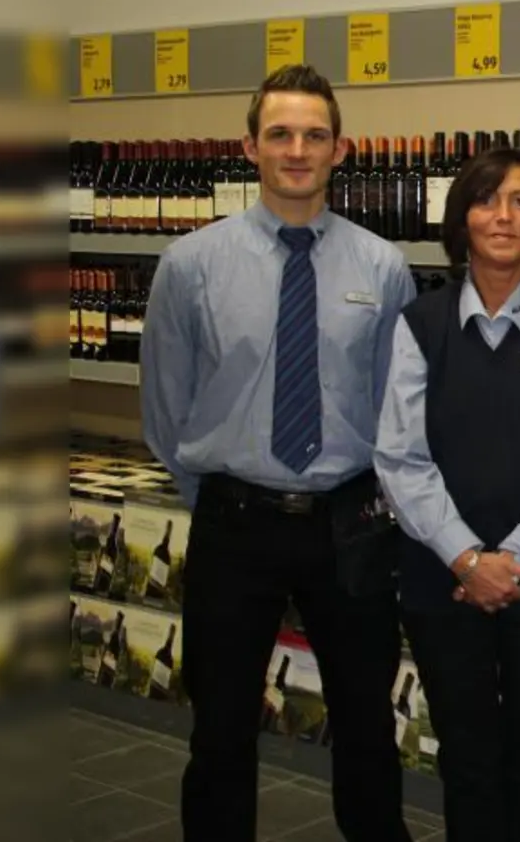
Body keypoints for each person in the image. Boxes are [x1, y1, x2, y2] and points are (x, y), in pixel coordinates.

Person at [140, 64, 414, 842]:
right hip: (237, 524)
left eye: (315, 135)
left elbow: (395, 405)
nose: (298, 149)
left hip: (350, 526)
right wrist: (220, 497)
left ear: (341, 150)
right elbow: (166, 406)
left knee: (365, 723)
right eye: (281, 133)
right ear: (251, 146)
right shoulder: (189, 266)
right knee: (221, 729)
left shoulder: (382, 268)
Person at [374, 147, 520, 841]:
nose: (502, 217)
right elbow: (400, 456)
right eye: (485, 200)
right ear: (461, 220)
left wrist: (516, 557)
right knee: (467, 752)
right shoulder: (422, 324)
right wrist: (465, 560)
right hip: (441, 582)